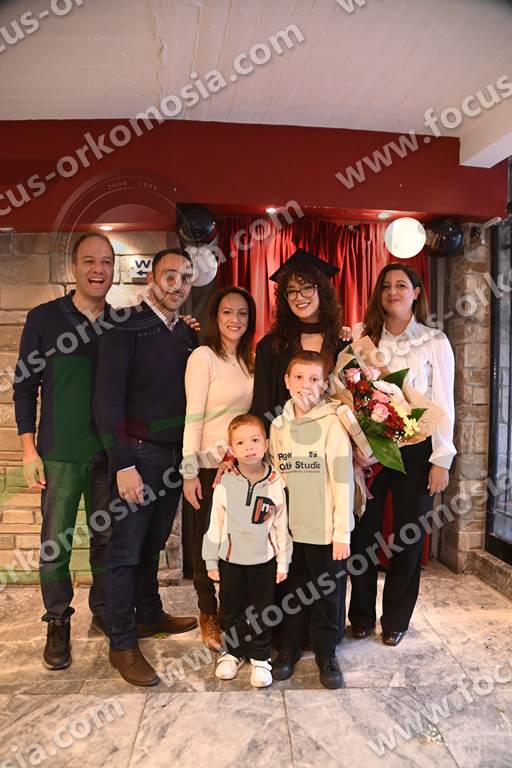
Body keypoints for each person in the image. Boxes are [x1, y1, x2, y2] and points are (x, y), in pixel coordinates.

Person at [94, 248, 198, 687]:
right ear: (151, 279)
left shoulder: (186, 334)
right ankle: (121, 643)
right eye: (169, 275)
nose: (178, 284)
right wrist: (122, 463)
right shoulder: (123, 325)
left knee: (152, 544)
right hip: (136, 456)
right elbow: (106, 400)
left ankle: (149, 615)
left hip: (172, 457)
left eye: (186, 277)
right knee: (124, 551)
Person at [13, 233, 115, 670]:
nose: (98, 269)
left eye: (106, 262)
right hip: (58, 454)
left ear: (114, 270)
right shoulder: (44, 318)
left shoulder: (121, 323)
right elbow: (24, 388)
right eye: (89, 261)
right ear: (74, 267)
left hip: (109, 456)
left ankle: (105, 611)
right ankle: (57, 622)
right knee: (55, 544)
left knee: (107, 541)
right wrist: (28, 450)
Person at [348, 263, 456, 647]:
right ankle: (360, 615)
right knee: (362, 534)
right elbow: (352, 396)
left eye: (401, 285)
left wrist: (442, 458)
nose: (393, 292)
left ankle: (395, 620)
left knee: (409, 537)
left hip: (417, 450)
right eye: (386, 286)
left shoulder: (433, 340)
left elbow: (443, 401)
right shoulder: (364, 340)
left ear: (416, 293)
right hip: (371, 450)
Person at [269, 351, 354, 689]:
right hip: (290, 529)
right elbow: (276, 476)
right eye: (299, 377)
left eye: (315, 379)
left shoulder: (333, 424)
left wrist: (341, 532)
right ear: (287, 381)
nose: (306, 385)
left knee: (326, 595)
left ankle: (326, 654)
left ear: (325, 384)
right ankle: (288, 649)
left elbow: (342, 481)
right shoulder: (278, 426)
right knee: (292, 592)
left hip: (325, 531)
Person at [181, 287, 256, 651]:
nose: (235, 320)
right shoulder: (203, 357)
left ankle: (230, 611)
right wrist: (189, 471)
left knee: (234, 544)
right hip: (209, 468)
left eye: (242, 313)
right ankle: (207, 611)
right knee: (206, 543)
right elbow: (193, 417)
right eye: (227, 312)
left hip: (241, 470)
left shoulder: (250, 360)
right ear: (215, 316)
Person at [203, 414, 292, 688]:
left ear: (266, 444)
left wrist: (283, 563)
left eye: (255, 440)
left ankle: (260, 656)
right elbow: (215, 524)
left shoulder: (276, 483)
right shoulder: (225, 483)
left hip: (264, 562)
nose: (249, 447)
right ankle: (233, 652)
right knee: (231, 608)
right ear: (232, 449)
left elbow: (281, 527)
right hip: (231, 561)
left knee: (263, 610)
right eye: (240, 443)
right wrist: (210, 560)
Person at [250, 248, 349, 432]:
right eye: (292, 291)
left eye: (307, 288)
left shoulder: (341, 344)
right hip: (285, 439)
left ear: (322, 291)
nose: (299, 297)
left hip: (334, 439)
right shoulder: (271, 346)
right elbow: (262, 404)